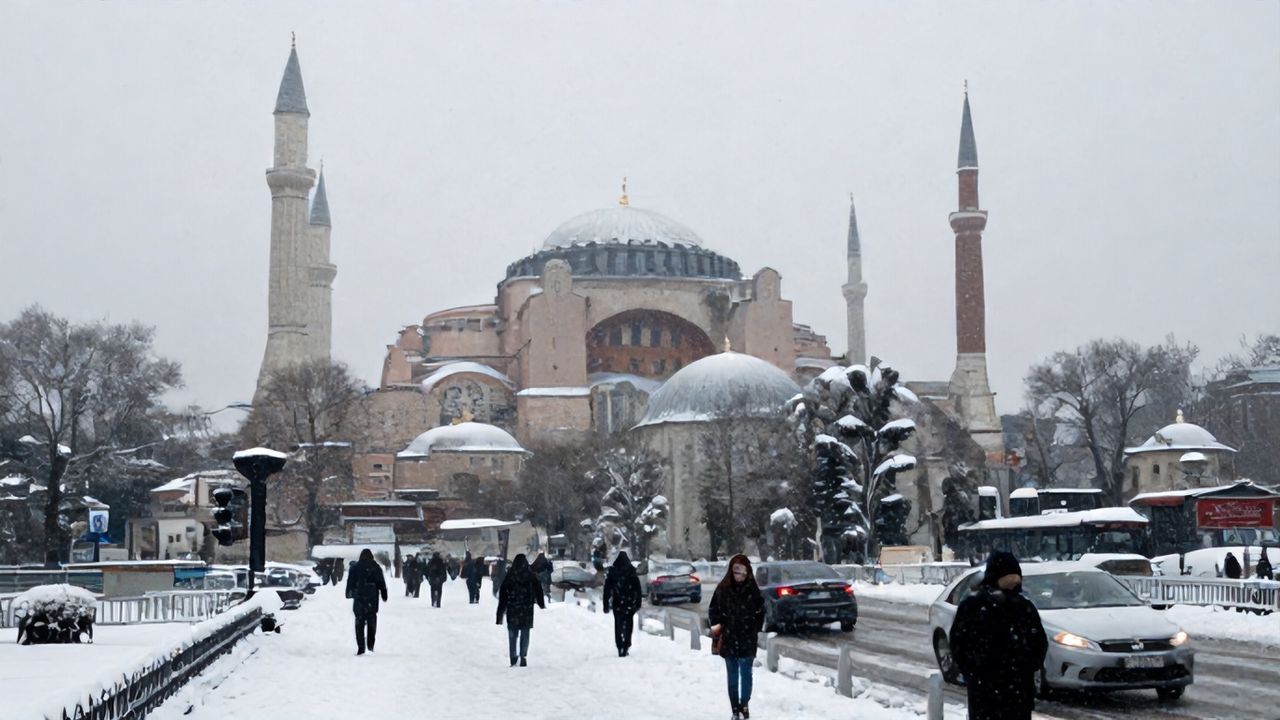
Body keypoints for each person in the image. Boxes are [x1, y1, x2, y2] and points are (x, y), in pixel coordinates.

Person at [949, 551, 1049, 720]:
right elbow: (960, 645)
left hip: (998, 692)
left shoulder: (1020, 607)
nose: (1012, 585)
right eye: (1009, 579)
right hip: (1001, 692)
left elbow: (959, 645)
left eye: (1015, 580)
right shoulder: (1021, 607)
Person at [708, 554, 765, 720]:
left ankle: (744, 705)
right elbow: (714, 611)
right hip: (729, 638)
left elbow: (761, 613)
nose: (738, 574)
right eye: (735, 571)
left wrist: (754, 629)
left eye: (741, 570)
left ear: (747, 571)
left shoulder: (753, 590)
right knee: (732, 676)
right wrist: (719, 630)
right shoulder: (723, 589)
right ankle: (735, 709)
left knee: (746, 674)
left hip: (747, 638)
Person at [496, 553, 545, 667]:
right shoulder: (531, 576)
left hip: (513, 610)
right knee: (525, 634)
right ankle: (523, 656)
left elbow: (503, 597)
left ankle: (513, 658)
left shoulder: (510, 576)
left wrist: (500, 615)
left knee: (513, 635)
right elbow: (539, 591)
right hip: (527, 610)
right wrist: (541, 604)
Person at [344, 548, 388, 656]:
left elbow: (350, 582)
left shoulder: (355, 568)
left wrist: (349, 593)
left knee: (359, 623)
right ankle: (370, 646)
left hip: (359, 599)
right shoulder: (376, 567)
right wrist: (384, 594)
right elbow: (381, 582)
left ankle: (361, 647)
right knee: (371, 624)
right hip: (372, 599)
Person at [603, 551, 643, 657]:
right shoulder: (631, 571)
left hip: (617, 603)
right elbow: (637, 589)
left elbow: (607, 590)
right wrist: (638, 602)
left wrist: (606, 604)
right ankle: (626, 645)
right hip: (629, 602)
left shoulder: (612, 571)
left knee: (618, 624)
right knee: (629, 624)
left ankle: (619, 645)